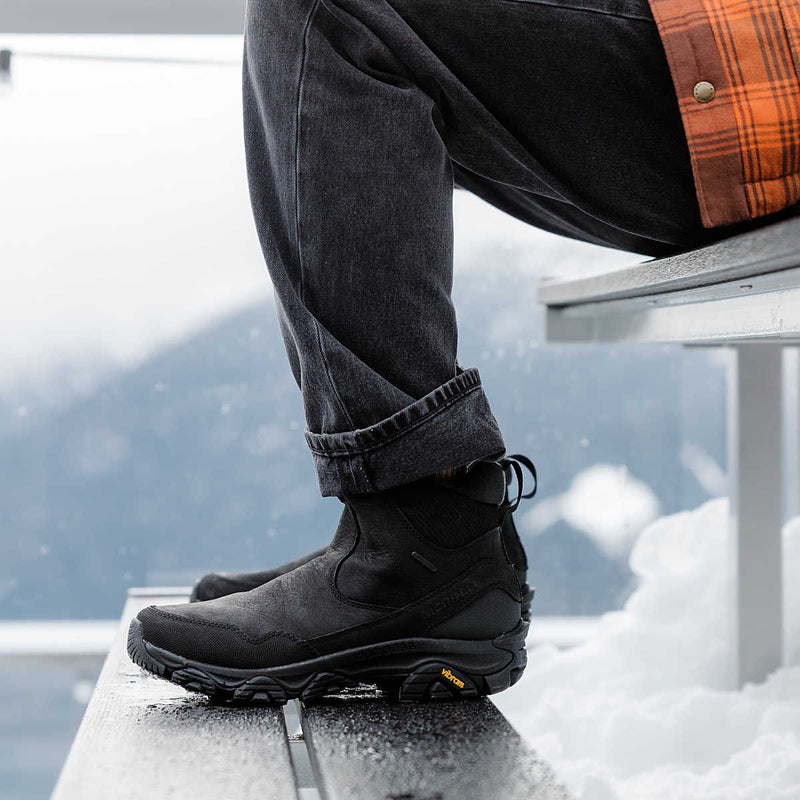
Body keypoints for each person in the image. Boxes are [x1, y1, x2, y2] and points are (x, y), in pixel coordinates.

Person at [127, 0, 800, 702]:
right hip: (736, 72)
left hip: (761, 79)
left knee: (330, 9)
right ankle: (414, 538)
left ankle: (420, 535)